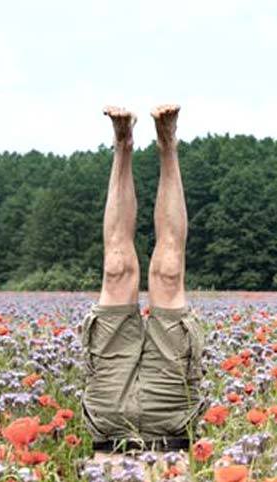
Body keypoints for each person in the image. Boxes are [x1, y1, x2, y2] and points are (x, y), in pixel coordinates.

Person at [81, 105, 205, 460]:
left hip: (115, 412)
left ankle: (167, 144)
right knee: (144, 271)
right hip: (164, 419)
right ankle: (124, 144)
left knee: (133, 270)